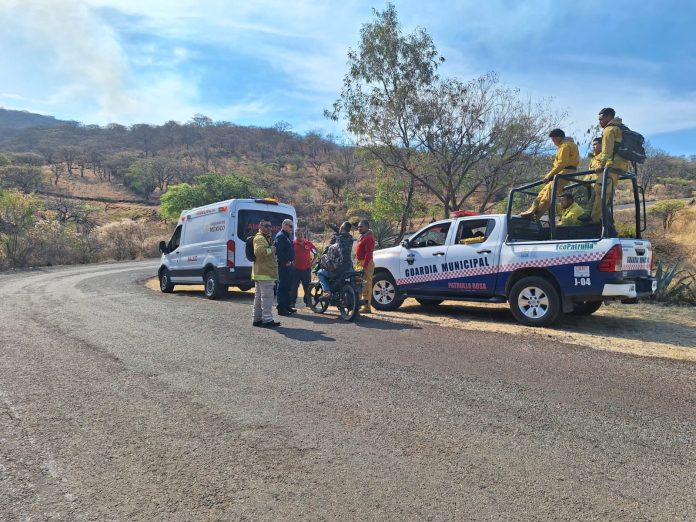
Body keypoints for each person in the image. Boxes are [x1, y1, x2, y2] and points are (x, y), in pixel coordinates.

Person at [520, 129, 580, 220]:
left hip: (565, 173)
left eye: (553, 139)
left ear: (558, 137)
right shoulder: (567, 145)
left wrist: (549, 175)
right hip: (562, 173)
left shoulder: (565, 146)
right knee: (543, 192)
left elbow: (562, 163)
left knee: (549, 194)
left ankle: (536, 216)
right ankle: (532, 210)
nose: (553, 142)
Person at [590, 108, 631, 223]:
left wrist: (601, 165)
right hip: (621, 166)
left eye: (601, 119)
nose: (600, 122)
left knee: (600, 191)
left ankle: (595, 221)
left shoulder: (609, 129)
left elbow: (607, 152)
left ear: (609, 117)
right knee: (607, 193)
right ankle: (605, 221)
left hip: (612, 165)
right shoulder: (621, 128)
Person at [252, 217, 280, 328]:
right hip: (265, 273)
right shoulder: (259, 238)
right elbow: (259, 252)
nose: (269, 228)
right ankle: (267, 320)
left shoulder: (265, 237)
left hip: (262, 273)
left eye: (270, 226)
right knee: (267, 298)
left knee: (259, 298)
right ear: (260, 227)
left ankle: (257, 319)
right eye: (266, 226)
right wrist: (272, 249)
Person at [317, 221, 354, 300]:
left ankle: (327, 292)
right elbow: (340, 231)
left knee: (320, 273)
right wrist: (332, 226)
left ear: (342, 228)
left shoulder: (339, 238)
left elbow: (330, 249)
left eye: (340, 227)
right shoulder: (350, 238)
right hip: (348, 267)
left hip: (338, 270)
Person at [273, 218, 295, 316]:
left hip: (289, 265)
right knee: (282, 287)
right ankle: (281, 308)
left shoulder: (286, 236)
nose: (292, 228)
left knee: (287, 286)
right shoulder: (280, 236)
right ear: (284, 225)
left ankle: (287, 306)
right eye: (290, 226)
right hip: (283, 265)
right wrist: (286, 261)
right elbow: (279, 251)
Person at [291, 228, 317, 308]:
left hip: (306, 269)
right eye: (298, 235)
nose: (299, 236)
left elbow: (315, 253)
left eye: (301, 234)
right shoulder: (292, 244)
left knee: (307, 287)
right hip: (295, 270)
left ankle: (307, 302)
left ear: (303, 235)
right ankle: (292, 303)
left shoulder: (308, 243)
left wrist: (312, 263)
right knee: (294, 287)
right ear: (295, 235)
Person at [355, 219, 375, 313]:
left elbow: (368, 254)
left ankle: (367, 307)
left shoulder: (368, 238)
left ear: (367, 227)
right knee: (358, 283)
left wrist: (364, 266)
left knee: (366, 285)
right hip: (359, 262)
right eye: (358, 226)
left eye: (361, 226)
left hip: (366, 263)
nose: (359, 228)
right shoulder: (362, 237)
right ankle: (357, 304)